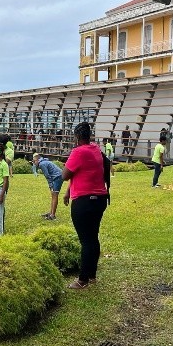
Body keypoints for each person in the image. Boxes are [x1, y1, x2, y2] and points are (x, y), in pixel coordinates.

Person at [62, 122, 109, 289]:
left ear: (76, 137)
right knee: (93, 237)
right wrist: (68, 192)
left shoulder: (78, 152)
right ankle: (92, 275)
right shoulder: (95, 148)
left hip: (84, 201)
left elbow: (65, 175)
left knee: (86, 241)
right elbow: (83, 173)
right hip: (100, 199)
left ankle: (82, 280)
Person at [33, 153, 63, 220]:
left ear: (38, 160)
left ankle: (53, 215)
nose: (34, 163)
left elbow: (47, 176)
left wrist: (51, 186)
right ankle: (51, 213)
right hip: (57, 176)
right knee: (53, 195)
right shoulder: (44, 162)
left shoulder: (42, 164)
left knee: (55, 195)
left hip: (58, 177)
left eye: (34, 161)